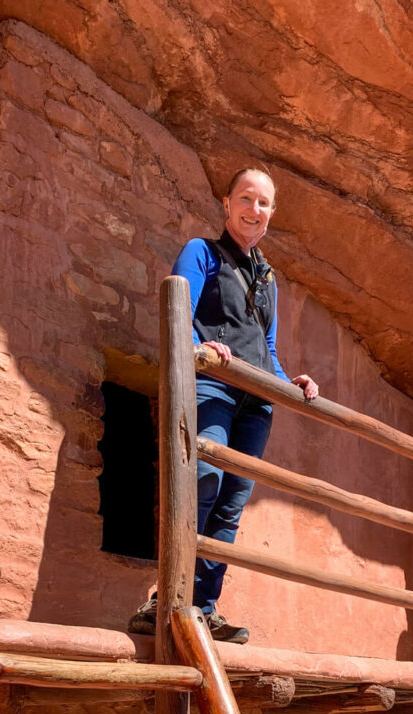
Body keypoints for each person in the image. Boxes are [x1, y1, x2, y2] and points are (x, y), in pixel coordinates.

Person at [129, 167, 318, 642]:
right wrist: (205, 346)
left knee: (232, 504)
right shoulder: (203, 252)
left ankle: (204, 607)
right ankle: (165, 598)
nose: (255, 210)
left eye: (264, 203)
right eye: (246, 199)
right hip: (213, 385)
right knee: (204, 477)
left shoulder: (268, 278)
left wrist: (288, 381)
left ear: (273, 212)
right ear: (227, 203)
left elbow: (267, 348)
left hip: (257, 403)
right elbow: (180, 314)